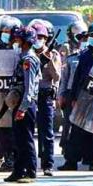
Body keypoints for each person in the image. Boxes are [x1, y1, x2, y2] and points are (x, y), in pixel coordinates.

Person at [58, 22, 93, 171]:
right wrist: (74, 98)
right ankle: (71, 161)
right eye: (90, 36)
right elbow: (77, 78)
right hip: (82, 98)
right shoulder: (84, 55)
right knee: (76, 131)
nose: (92, 38)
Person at [5, 26, 42, 183]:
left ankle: (29, 170)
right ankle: (18, 170)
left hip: (25, 103)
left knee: (25, 138)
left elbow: (30, 86)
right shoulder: (22, 57)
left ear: (26, 41)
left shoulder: (28, 60)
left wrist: (23, 108)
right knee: (18, 138)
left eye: (18, 38)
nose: (15, 41)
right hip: (19, 101)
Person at [0, 16, 22, 172]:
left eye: (9, 32)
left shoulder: (20, 53)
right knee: (1, 132)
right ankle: (4, 157)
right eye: (4, 32)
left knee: (14, 132)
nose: (6, 35)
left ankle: (14, 160)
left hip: (13, 97)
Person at [31, 21, 61, 176]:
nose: (38, 40)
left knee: (47, 132)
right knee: (28, 131)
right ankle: (29, 164)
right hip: (30, 95)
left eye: (41, 37)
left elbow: (56, 77)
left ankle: (47, 164)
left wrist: (49, 61)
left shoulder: (53, 54)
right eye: (36, 37)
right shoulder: (28, 54)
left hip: (45, 95)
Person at [58, 22, 88, 154]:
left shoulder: (88, 54)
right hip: (70, 92)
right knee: (68, 123)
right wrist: (61, 94)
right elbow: (64, 76)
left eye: (84, 37)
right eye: (80, 37)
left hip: (86, 92)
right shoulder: (67, 50)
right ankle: (66, 147)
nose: (83, 40)